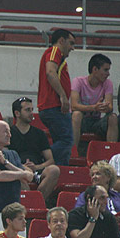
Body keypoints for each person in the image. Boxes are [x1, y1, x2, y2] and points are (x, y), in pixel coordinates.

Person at [8, 97, 60, 202]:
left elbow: (50, 160)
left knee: (54, 170)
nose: (31, 113)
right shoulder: (8, 133)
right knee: (17, 175)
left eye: (32, 109)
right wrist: (22, 167)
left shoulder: (39, 133)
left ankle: (37, 202)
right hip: (17, 169)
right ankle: (29, 203)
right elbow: (5, 157)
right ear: (17, 113)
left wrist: (36, 167)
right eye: (27, 110)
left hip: (37, 170)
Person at [37, 28, 76, 166]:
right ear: (61, 41)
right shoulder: (54, 51)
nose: (72, 48)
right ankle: (42, 161)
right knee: (66, 140)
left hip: (52, 106)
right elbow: (50, 72)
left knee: (62, 141)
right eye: (71, 43)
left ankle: (57, 170)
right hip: (53, 106)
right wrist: (63, 96)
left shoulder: (58, 56)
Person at [71, 53, 117, 150]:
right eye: (105, 70)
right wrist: (94, 107)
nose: (108, 74)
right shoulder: (78, 81)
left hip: (96, 121)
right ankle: (72, 150)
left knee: (113, 117)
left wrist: (104, 107)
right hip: (81, 121)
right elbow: (74, 106)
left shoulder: (108, 83)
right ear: (95, 69)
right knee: (76, 115)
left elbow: (110, 107)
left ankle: (111, 152)